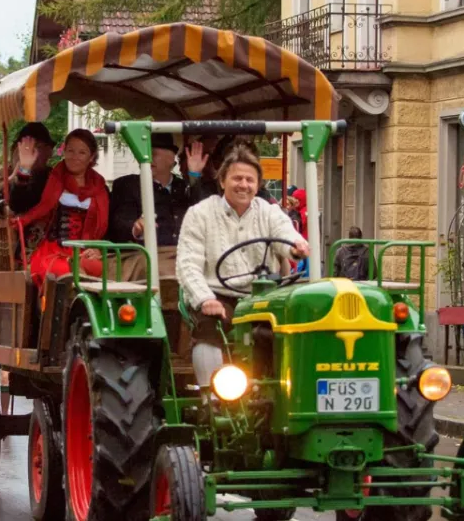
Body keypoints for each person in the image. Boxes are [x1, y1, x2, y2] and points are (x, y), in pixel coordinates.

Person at [176, 145, 309, 398]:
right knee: (208, 332)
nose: (243, 185)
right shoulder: (200, 213)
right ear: (223, 180)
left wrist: (296, 245)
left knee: (291, 329)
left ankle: (284, 395)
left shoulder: (268, 211)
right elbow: (187, 264)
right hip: (217, 295)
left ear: (258, 185)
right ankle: (213, 400)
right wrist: (205, 299)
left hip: (262, 297)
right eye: (237, 178)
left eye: (250, 180)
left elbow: (284, 233)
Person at [16, 128, 110, 289]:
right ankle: (63, 308)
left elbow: (107, 226)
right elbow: (19, 203)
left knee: (100, 269)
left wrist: (97, 248)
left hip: (83, 251)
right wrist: (24, 169)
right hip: (52, 251)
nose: (74, 157)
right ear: (64, 151)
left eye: (82, 152)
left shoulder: (100, 187)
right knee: (65, 273)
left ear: (91, 157)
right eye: (70, 150)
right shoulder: (49, 179)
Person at [107, 133, 189, 279]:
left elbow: (207, 212)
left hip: (183, 255)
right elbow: (120, 221)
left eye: (153, 153)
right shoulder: (128, 185)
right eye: (143, 154)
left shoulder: (185, 187)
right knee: (163, 271)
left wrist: (196, 176)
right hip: (142, 255)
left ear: (172, 159)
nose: (147, 158)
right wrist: (136, 228)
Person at [0, 122, 57, 224]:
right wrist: (14, 178)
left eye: (38, 147)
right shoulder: (6, 173)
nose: (32, 153)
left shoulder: (52, 175)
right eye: (28, 147)